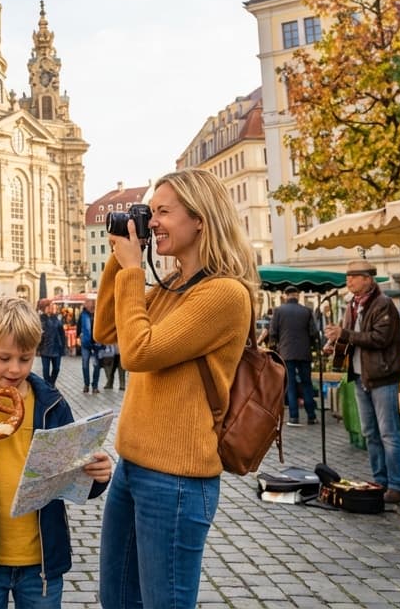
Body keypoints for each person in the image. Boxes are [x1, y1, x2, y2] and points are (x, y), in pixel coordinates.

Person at [93, 168, 257, 608]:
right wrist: (119, 258)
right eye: (152, 212)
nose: (153, 222)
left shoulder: (224, 294)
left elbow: (138, 352)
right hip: (133, 468)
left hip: (176, 480)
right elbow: (107, 329)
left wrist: (133, 269)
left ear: (200, 219)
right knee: (117, 600)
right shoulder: (172, 289)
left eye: (163, 212)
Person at [0, 295, 112, 607]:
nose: (15, 369)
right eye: (4, 358)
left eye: (25, 359)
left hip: (41, 560)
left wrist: (98, 476)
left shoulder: (52, 406)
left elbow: (74, 479)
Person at [324, 259, 400, 505]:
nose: (348, 280)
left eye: (354, 276)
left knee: (388, 433)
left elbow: (380, 338)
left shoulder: (383, 304)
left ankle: (398, 486)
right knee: (370, 433)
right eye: (348, 275)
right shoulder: (352, 304)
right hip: (361, 375)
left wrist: (345, 334)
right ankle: (380, 481)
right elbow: (351, 338)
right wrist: (336, 345)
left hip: (382, 376)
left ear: (368, 279)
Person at [268, 288, 318, 426]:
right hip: (304, 353)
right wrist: (312, 346)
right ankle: (311, 416)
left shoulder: (279, 311)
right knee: (307, 383)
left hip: (286, 352)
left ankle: (294, 417)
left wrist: (276, 346)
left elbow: (273, 332)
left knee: (290, 384)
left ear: (286, 296)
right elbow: (314, 333)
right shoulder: (306, 311)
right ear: (297, 295)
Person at [38, 302, 64, 386]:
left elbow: (62, 333)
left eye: (52, 306)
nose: (51, 308)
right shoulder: (41, 319)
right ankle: (48, 385)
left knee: (56, 368)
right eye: (49, 306)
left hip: (56, 347)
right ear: (44, 308)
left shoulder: (56, 318)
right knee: (46, 370)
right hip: (45, 347)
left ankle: (51, 384)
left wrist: (62, 345)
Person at [78, 299, 101, 394]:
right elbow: (78, 327)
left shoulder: (99, 313)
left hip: (96, 343)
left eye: (93, 303)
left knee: (96, 365)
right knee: (85, 365)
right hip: (85, 343)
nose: (91, 305)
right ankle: (86, 385)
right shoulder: (83, 314)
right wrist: (79, 336)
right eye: (90, 303)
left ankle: (95, 386)